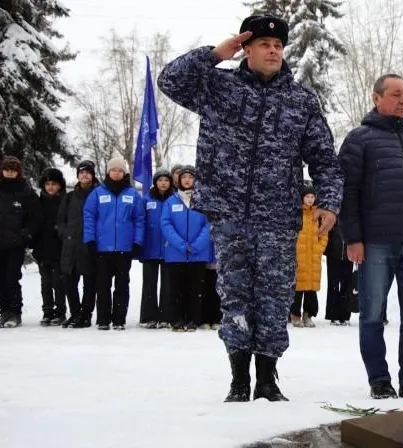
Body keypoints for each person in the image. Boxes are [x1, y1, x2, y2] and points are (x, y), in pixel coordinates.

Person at [158, 14, 342, 402]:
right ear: (246, 48)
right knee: (236, 296)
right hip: (229, 214)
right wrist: (212, 55)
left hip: (277, 215)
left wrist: (328, 202)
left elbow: (324, 157)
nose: (273, 50)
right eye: (264, 44)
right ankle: (239, 378)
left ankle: (268, 377)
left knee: (274, 298)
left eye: (278, 46)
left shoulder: (301, 100)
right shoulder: (219, 87)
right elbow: (170, 81)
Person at [339, 73, 403, 399]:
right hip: (375, 243)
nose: (402, 101)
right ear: (376, 98)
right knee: (372, 314)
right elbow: (347, 193)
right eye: (395, 94)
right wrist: (352, 238)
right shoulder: (359, 140)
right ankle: (379, 380)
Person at [83, 157, 145, 331]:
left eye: (120, 170)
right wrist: (90, 240)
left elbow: (139, 219)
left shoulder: (132, 194)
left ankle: (119, 319)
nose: (116, 173)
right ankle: (103, 319)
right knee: (102, 285)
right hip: (103, 248)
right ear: (108, 172)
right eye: (113, 170)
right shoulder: (97, 193)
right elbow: (89, 217)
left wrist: (137, 241)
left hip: (124, 248)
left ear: (124, 173)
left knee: (122, 285)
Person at [161, 166, 213, 332]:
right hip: (176, 253)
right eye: (184, 177)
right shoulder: (171, 201)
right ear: (179, 180)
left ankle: (193, 320)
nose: (187, 180)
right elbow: (165, 224)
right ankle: (176, 319)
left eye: (191, 177)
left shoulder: (203, 200)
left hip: (197, 254)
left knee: (195, 290)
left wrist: (197, 245)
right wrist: (181, 244)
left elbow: (209, 224)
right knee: (176, 289)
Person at [0, 156, 42, 328]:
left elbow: (36, 217)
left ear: (18, 172)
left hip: (15, 244)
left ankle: (14, 312)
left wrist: (25, 235)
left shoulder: (25, 191)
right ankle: (4, 310)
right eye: (7, 169)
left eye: (13, 170)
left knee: (11, 278)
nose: (10, 173)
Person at [59, 160, 99, 328]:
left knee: (89, 283)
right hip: (70, 246)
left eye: (87, 172)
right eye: (81, 172)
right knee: (69, 282)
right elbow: (60, 220)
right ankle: (75, 313)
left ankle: (85, 315)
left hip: (89, 246)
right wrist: (65, 234)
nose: (84, 175)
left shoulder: (99, 194)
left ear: (92, 175)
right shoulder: (69, 197)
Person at [139, 169, 173, 329]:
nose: (163, 183)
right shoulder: (146, 199)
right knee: (149, 284)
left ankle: (166, 316)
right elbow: (140, 222)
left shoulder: (174, 200)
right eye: (160, 180)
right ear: (155, 182)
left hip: (169, 249)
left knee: (168, 285)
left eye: (166, 180)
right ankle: (148, 316)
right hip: (150, 247)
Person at [291, 183, 328, 328]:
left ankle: (309, 314)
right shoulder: (297, 213)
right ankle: (295, 314)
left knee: (311, 288)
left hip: (313, 256)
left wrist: (319, 248)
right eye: (307, 196)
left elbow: (324, 234)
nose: (310, 199)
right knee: (298, 287)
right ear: (302, 198)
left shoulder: (318, 214)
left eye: (313, 196)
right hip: (299, 256)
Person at [35, 168, 67, 327]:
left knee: (59, 283)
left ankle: (60, 312)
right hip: (42, 249)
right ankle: (47, 311)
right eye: (47, 184)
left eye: (54, 184)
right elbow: (34, 223)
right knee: (45, 283)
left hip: (60, 248)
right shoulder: (38, 202)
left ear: (60, 185)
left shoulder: (65, 201)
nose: (50, 187)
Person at [324, 221, 354, 326]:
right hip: (333, 254)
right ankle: (333, 315)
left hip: (349, 255)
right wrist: (326, 248)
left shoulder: (350, 215)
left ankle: (345, 315)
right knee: (333, 285)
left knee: (347, 285)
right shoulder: (332, 215)